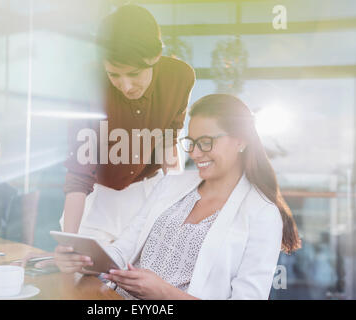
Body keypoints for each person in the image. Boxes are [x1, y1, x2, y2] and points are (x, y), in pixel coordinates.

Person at [50, 94, 301, 299]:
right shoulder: (171, 185)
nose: (194, 152)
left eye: (205, 141)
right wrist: (82, 260)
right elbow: (121, 251)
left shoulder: (262, 214)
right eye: (190, 142)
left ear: (241, 141)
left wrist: (164, 293)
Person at [58, 4, 196, 246]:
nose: (126, 85)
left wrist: (177, 206)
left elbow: (168, 140)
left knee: (145, 276)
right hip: (97, 198)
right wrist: (68, 243)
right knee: (82, 273)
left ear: (155, 57)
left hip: (149, 192)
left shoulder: (180, 77)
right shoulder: (85, 83)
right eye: (114, 75)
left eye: (134, 74)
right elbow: (79, 174)